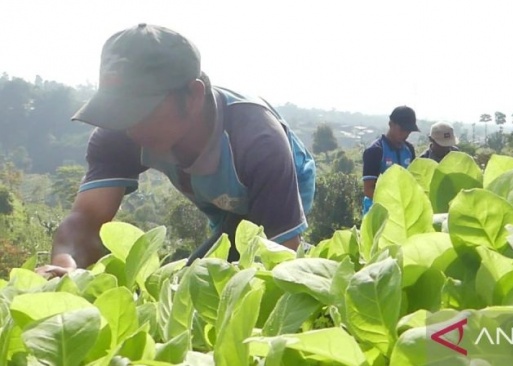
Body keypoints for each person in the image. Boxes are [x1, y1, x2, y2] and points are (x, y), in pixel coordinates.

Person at [36, 23, 316, 277]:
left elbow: (282, 254)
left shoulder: (258, 142)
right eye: (119, 111)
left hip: (281, 175)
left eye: (141, 110)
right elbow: (86, 219)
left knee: (252, 267)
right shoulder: (119, 130)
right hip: (216, 192)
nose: (130, 128)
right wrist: (65, 267)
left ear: (193, 96)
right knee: (210, 269)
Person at [361, 106, 418, 215]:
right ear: (391, 124)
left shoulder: (409, 150)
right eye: (402, 129)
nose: (405, 134)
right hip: (377, 214)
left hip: (403, 212)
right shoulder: (375, 151)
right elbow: (368, 189)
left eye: (408, 131)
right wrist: (393, 205)